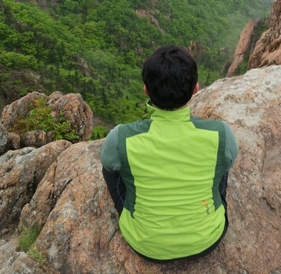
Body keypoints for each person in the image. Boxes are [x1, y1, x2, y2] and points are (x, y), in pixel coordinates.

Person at [101, 45, 238, 262]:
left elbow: (109, 164)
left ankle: (137, 209)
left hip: (145, 242)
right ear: (196, 89)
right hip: (206, 239)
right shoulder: (221, 134)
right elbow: (229, 160)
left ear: (146, 89)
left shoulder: (121, 138)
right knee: (221, 162)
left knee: (112, 169)